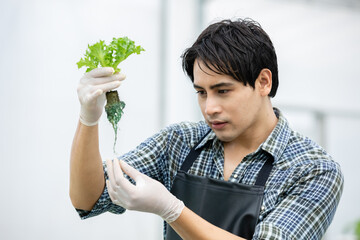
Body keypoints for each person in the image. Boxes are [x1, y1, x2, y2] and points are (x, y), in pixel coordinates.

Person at [70, 18, 344, 239]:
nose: (209, 107)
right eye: (201, 92)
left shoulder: (312, 169)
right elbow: (89, 198)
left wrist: (172, 209)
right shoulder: (179, 142)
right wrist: (88, 119)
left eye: (222, 91)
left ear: (263, 82)